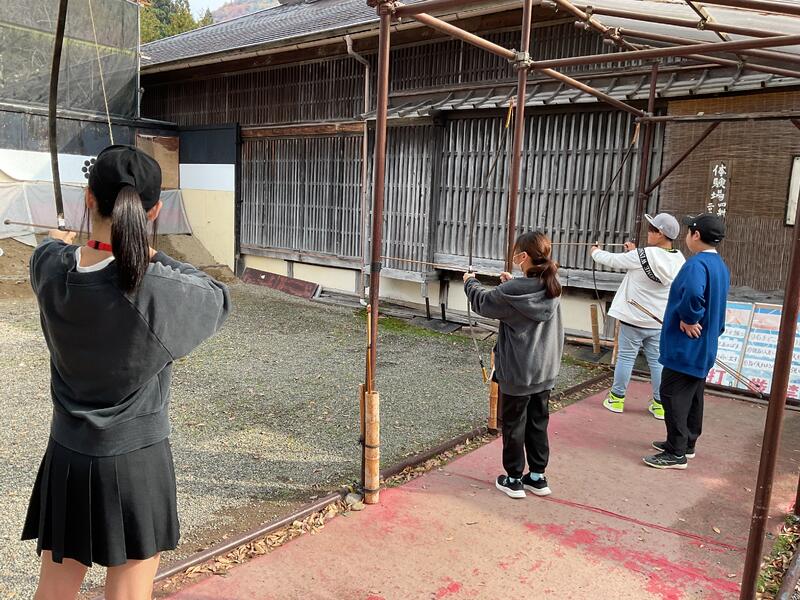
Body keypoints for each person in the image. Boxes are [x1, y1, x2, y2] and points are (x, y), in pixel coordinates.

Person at [22, 145, 231, 599]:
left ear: (88, 199)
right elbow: (216, 295)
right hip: (136, 461)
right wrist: (151, 255)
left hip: (67, 453)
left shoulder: (49, 268)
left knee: (53, 591)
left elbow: (51, 248)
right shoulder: (158, 289)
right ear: (153, 211)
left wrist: (74, 243)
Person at [463, 232, 564, 499]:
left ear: (523, 256)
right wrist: (511, 284)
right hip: (545, 370)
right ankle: (538, 477)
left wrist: (469, 282)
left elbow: (483, 302)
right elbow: (519, 296)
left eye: (517, 253)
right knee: (538, 423)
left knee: (514, 426)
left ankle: (514, 479)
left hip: (518, 372)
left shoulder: (513, 292)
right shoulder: (552, 284)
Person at [644, 213, 729, 470]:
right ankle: (687, 443)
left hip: (686, 345)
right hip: (705, 343)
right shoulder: (720, 265)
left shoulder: (696, 264)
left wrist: (690, 318)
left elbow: (693, 293)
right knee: (693, 396)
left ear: (696, 235)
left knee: (672, 394)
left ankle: (676, 451)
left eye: (689, 231)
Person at [591, 213, 686, 419]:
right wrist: (634, 252)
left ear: (660, 234)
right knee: (657, 362)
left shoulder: (642, 255)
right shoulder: (679, 258)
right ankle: (660, 405)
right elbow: (647, 262)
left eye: (652, 229)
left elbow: (612, 260)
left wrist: (595, 251)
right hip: (658, 320)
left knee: (626, 358)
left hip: (633, 318)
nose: (648, 232)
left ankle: (616, 399)